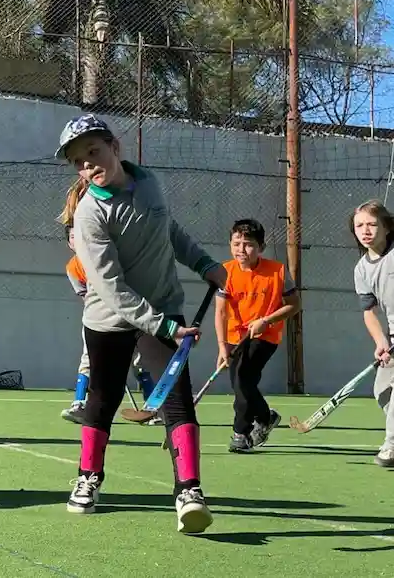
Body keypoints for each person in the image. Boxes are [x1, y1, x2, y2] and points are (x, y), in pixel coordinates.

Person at [57, 114, 226, 534]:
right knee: (103, 398)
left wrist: (204, 263)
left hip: (163, 307)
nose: (87, 166)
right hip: (109, 318)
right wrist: (165, 328)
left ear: (114, 146)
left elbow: (168, 229)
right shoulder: (89, 215)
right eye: (78, 161)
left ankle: (189, 490)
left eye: (92, 153)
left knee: (177, 399)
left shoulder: (150, 182)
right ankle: (89, 477)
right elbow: (111, 287)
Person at [58, 178, 161, 427]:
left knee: (140, 362)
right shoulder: (74, 267)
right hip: (99, 317)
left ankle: (153, 407)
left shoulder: (116, 246)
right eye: (71, 237)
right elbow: (85, 296)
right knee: (90, 360)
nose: (76, 240)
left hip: (132, 312)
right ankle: (80, 403)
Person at [214, 218, 301, 453]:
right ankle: (265, 417)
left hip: (265, 336)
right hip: (235, 337)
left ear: (260, 247)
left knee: (242, 378)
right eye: (236, 243)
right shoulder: (224, 271)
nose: (241, 249)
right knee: (241, 383)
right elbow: (220, 312)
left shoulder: (278, 271)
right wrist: (222, 347)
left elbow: (294, 305)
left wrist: (266, 320)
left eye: (248, 244)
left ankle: (240, 432)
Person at [350, 199, 394, 468]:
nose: (365, 230)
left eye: (372, 224)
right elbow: (369, 311)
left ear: (387, 227)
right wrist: (381, 342)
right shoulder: (362, 269)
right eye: (359, 225)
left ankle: (391, 445)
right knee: (382, 390)